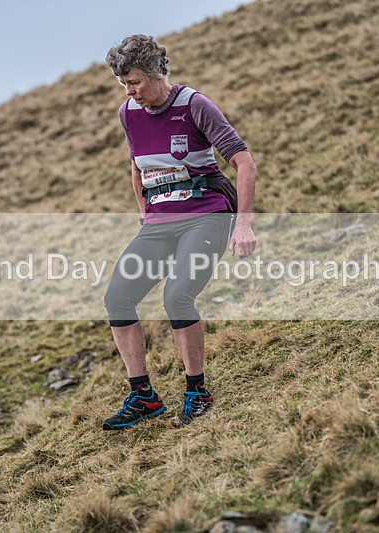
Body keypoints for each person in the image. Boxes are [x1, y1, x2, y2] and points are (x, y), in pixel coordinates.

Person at [101, 34, 257, 430]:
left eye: (134, 82)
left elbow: (244, 162)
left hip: (207, 215)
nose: (129, 91)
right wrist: (145, 216)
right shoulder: (128, 113)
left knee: (177, 295)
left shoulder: (194, 105)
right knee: (118, 298)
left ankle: (197, 391)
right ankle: (143, 396)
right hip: (159, 224)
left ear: (156, 72)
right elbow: (137, 167)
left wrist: (243, 224)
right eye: (123, 84)